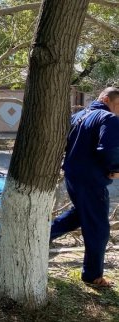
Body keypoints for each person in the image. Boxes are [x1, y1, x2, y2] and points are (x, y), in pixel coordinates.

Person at [51, 87, 119, 288]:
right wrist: (115, 168)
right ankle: (93, 276)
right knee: (98, 229)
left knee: (79, 216)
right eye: (118, 106)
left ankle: (36, 237)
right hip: (92, 180)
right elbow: (109, 150)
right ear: (106, 99)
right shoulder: (108, 118)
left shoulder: (77, 117)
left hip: (73, 176)